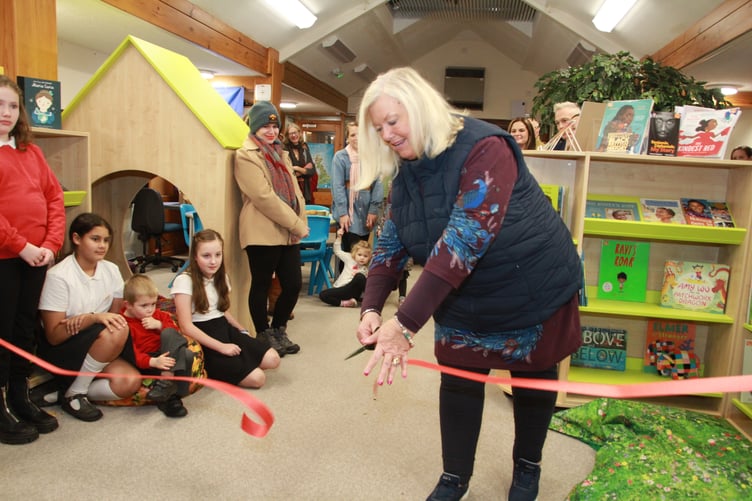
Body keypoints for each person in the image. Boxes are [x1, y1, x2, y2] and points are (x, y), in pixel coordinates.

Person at [354, 67, 582, 501]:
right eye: (378, 126)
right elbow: (393, 238)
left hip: (533, 284)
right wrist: (370, 307)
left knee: (532, 379)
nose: (386, 134)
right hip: (465, 293)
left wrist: (403, 324)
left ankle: (527, 467)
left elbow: (463, 241)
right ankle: (455, 477)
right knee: (459, 380)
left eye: (393, 121)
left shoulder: (485, 147)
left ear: (419, 108)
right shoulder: (406, 170)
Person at [0, 75, 66, 444]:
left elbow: (54, 199)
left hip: (36, 258)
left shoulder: (32, 152)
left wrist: (51, 244)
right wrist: (22, 245)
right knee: (3, 334)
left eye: (12, 105)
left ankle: (20, 397)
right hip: (6, 257)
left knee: (26, 329)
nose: (6, 113)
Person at [38, 213, 141, 422]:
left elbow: (114, 315)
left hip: (101, 342)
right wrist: (91, 319)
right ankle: (75, 393)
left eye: (105, 240)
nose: (102, 245)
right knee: (118, 328)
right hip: (64, 346)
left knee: (130, 382)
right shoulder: (58, 276)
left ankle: (71, 390)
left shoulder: (111, 270)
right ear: (77, 239)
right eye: (95, 239)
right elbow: (53, 336)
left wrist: (93, 320)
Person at [234, 101, 309, 357]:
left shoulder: (281, 153)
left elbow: (294, 190)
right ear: (254, 127)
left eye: (274, 125)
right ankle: (264, 334)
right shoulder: (245, 155)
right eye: (265, 125)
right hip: (261, 230)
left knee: (292, 284)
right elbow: (263, 197)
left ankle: (279, 329)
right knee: (262, 284)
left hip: (288, 231)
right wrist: (297, 224)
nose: (271, 131)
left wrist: (302, 220)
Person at [171, 229, 280, 388]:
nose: (213, 261)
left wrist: (240, 329)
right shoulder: (184, 281)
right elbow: (186, 326)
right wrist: (221, 347)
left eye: (218, 255)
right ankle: (214, 368)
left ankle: (236, 366)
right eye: (206, 256)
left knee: (273, 359)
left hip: (223, 327)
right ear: (195, 256)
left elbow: (222, 310)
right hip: (203, 335)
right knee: (258, 379)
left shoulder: (221, 277)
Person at [121, 274, 193, 418]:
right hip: (148, 362)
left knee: (183, 349)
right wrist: (152, 361)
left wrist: (159, 326)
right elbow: (130, 353)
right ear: (128, 304)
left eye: (153, 304)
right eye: (144, 306)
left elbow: (177, 335)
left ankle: (166, 382)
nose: (150, 310)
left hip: (167, 355)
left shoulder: (159, 316)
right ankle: (171, 397)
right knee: (184, 355)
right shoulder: (123, 324)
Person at [331, 121, 384, 259]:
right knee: (349, 254)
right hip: (348, 211)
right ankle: (346, 280)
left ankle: (361, 279)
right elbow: (337, 186)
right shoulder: (340, 157)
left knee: (363, 253)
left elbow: (378, 184)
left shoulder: (373, 157)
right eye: (353, 134)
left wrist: (373, 210)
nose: (357, 138)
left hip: (366, 210)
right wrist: (343, 213)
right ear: (348, 138)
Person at [319, 229, 372, 307]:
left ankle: (368, 299)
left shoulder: (366, 268)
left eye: (365, 256)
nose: (362, 258)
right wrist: (339, 237)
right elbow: (337, 251)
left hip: (355, 291)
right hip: (343, 288)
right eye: (359, 255)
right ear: (354, 253)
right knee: (323, 295)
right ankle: (345, 303)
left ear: (369, 258)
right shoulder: (349, 258)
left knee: (360, 277)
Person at [283, 123, 317, 204]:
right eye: (291, 133)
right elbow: (286, 172)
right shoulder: (284, 149)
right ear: (287, 136)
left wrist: (297, 169)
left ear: (299, 133)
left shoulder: (304, 148)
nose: (294, 135)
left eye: (295, 132)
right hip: (290, 189)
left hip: (305, 190)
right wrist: (304, 170)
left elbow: (312, 171)